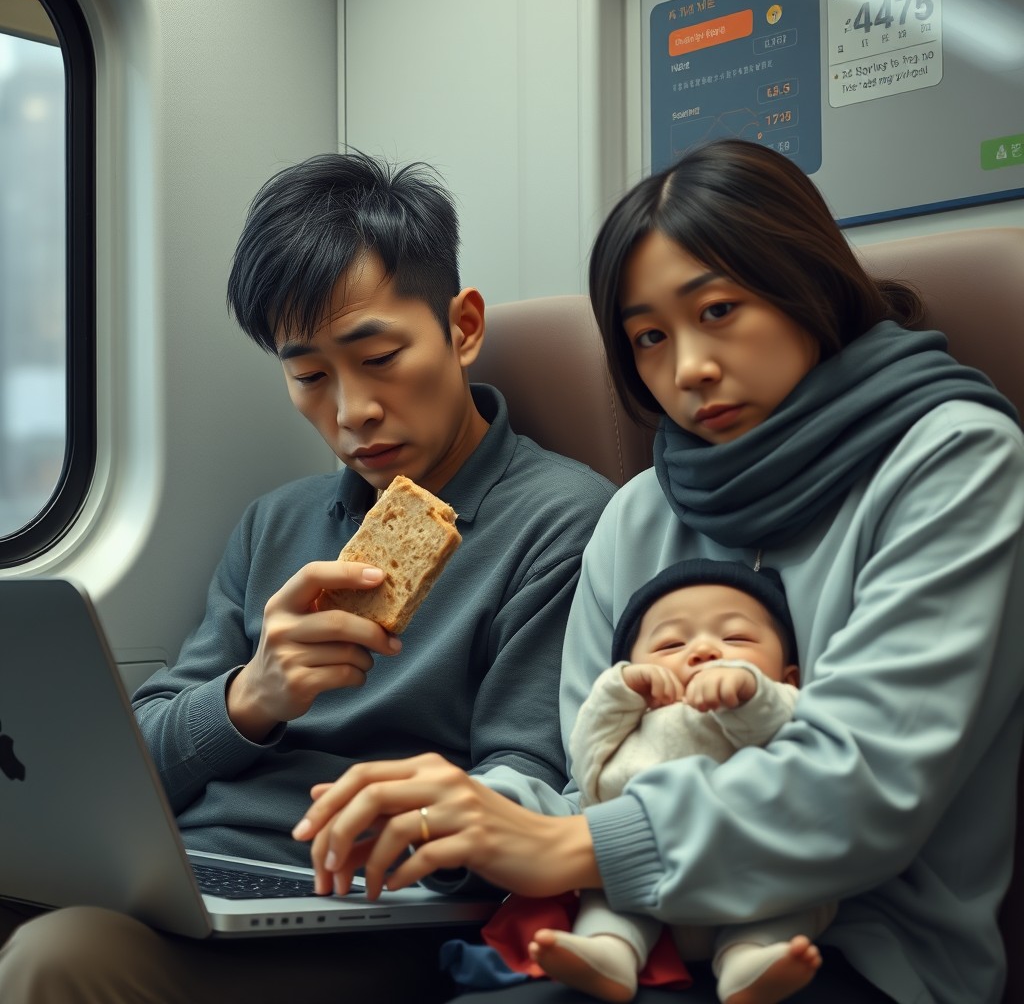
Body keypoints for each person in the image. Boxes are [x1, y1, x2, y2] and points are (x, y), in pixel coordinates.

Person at [290, 139, 1024, 1004]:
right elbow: (588, 772)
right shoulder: (642, 511)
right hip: (651, 944)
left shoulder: (955, 460)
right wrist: (459, 814)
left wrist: (571, 848)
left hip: (865, 951)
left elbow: (864, 781)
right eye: (648, 337)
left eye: (717, 311)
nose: (688, 370)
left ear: (811, 287)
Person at [0, 152, 615, 1003]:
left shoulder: (563, 520)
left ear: (463, 327)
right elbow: (139, 756)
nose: (352, 411)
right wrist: (249, 698)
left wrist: (404, 818)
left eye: (380, 357)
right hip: (197, 869)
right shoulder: (274, 524)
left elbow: (527, 783)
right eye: (310, 376)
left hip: (372, 908)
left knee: (59, 957)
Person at [520, 558, 833, 1004]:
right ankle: (610, 954)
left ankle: (750, 962)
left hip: (752, 876)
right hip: (639, 879)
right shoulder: (637, 721)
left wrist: (748, 691)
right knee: (603, 899)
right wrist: (621, 692)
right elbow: (588, 763)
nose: (704, 650)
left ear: (790, 676)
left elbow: (797, 727)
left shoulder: (776, 703)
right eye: (670, 644)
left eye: (736, 638)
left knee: (798, 899)